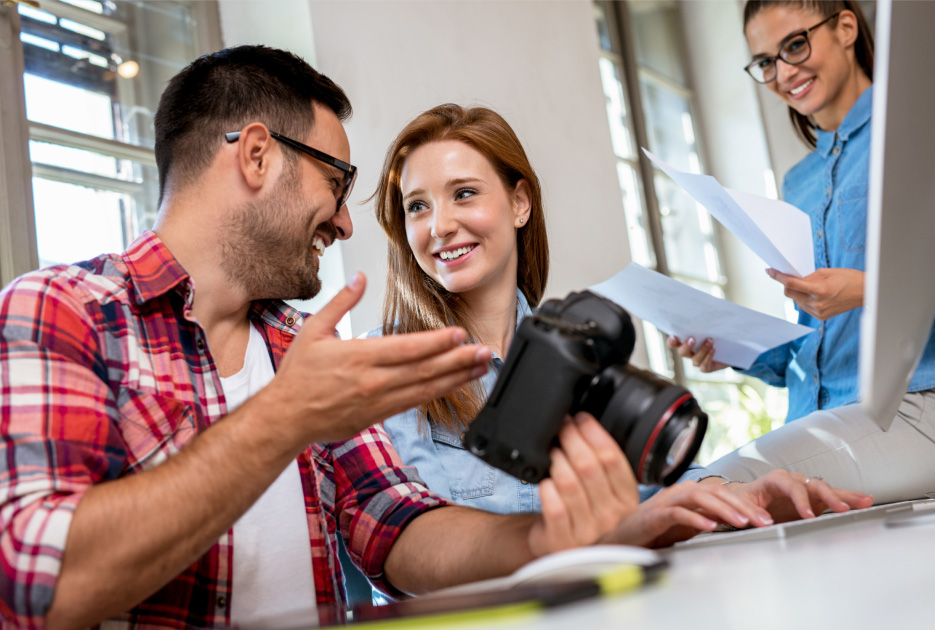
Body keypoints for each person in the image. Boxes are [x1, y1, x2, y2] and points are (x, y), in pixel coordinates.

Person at [0, 46, 646, 630]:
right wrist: (285, 415)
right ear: (257, 155)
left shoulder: (299, 343)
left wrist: (538, 543)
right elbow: (40, 586)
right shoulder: (62, 309)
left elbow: (392, 525)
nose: (342, 221)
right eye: (335, 182)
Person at [369, 103, 872, 553]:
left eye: (463, 194)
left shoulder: (572, 348)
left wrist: (734, 495)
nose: (439, 226)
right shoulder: (390, 363)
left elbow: (647, 491)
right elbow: (422, 543)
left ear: (520, 203)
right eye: (418, 206)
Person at [671, 0, 935, 502]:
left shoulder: (919, 126)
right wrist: (731, 347)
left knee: (706, 493)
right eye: (767, 62)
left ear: (846, 28)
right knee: (688, 490)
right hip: (823, 418)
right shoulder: (800, 183)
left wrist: (867, 289)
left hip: (914, 403)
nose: (784, 73)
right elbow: (819, 341)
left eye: (795, 45)